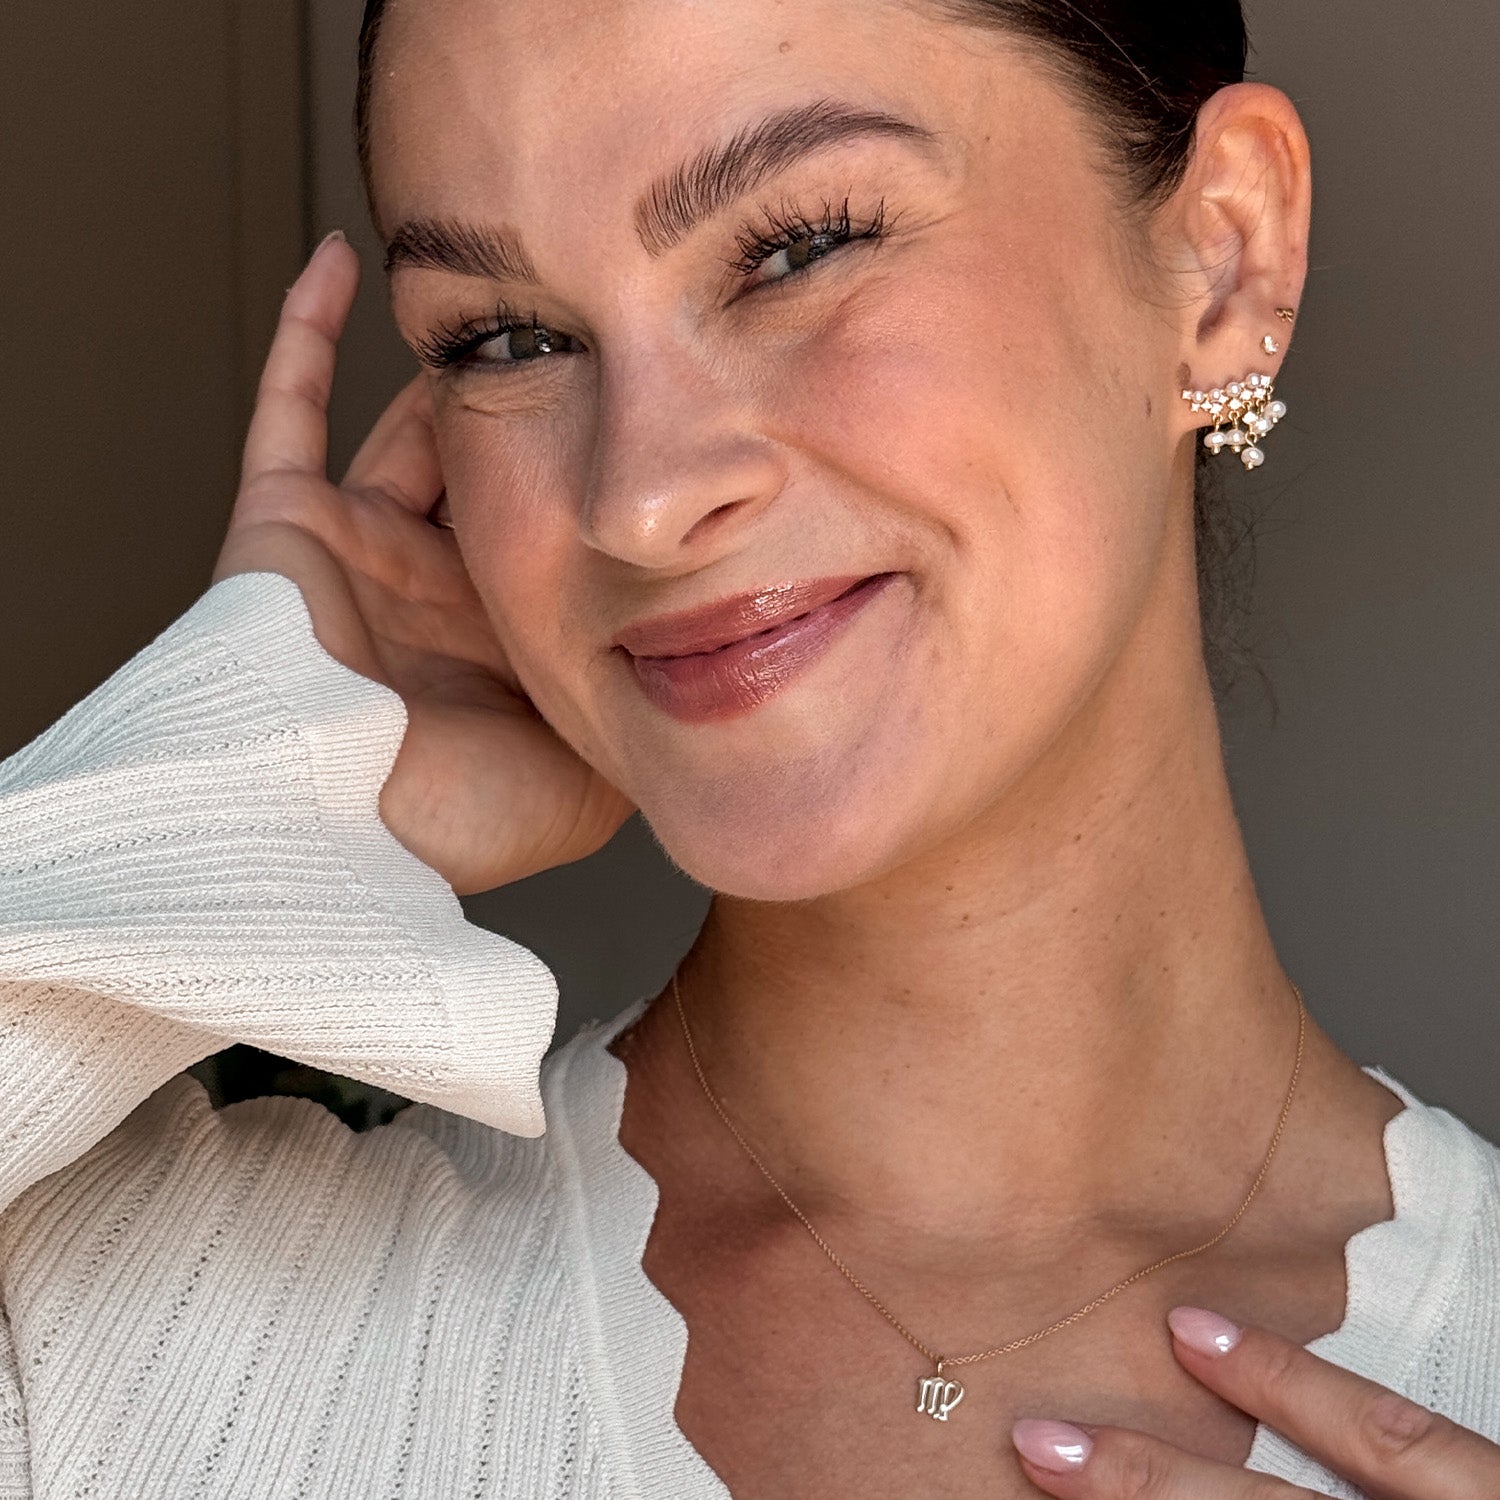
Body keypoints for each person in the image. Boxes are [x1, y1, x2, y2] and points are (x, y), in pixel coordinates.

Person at [0, 0, 1496, 1495]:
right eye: (507, 339)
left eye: (797, 248)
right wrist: (249, 776)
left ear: (1223, 256)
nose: (639, 499)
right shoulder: (141, 1347)